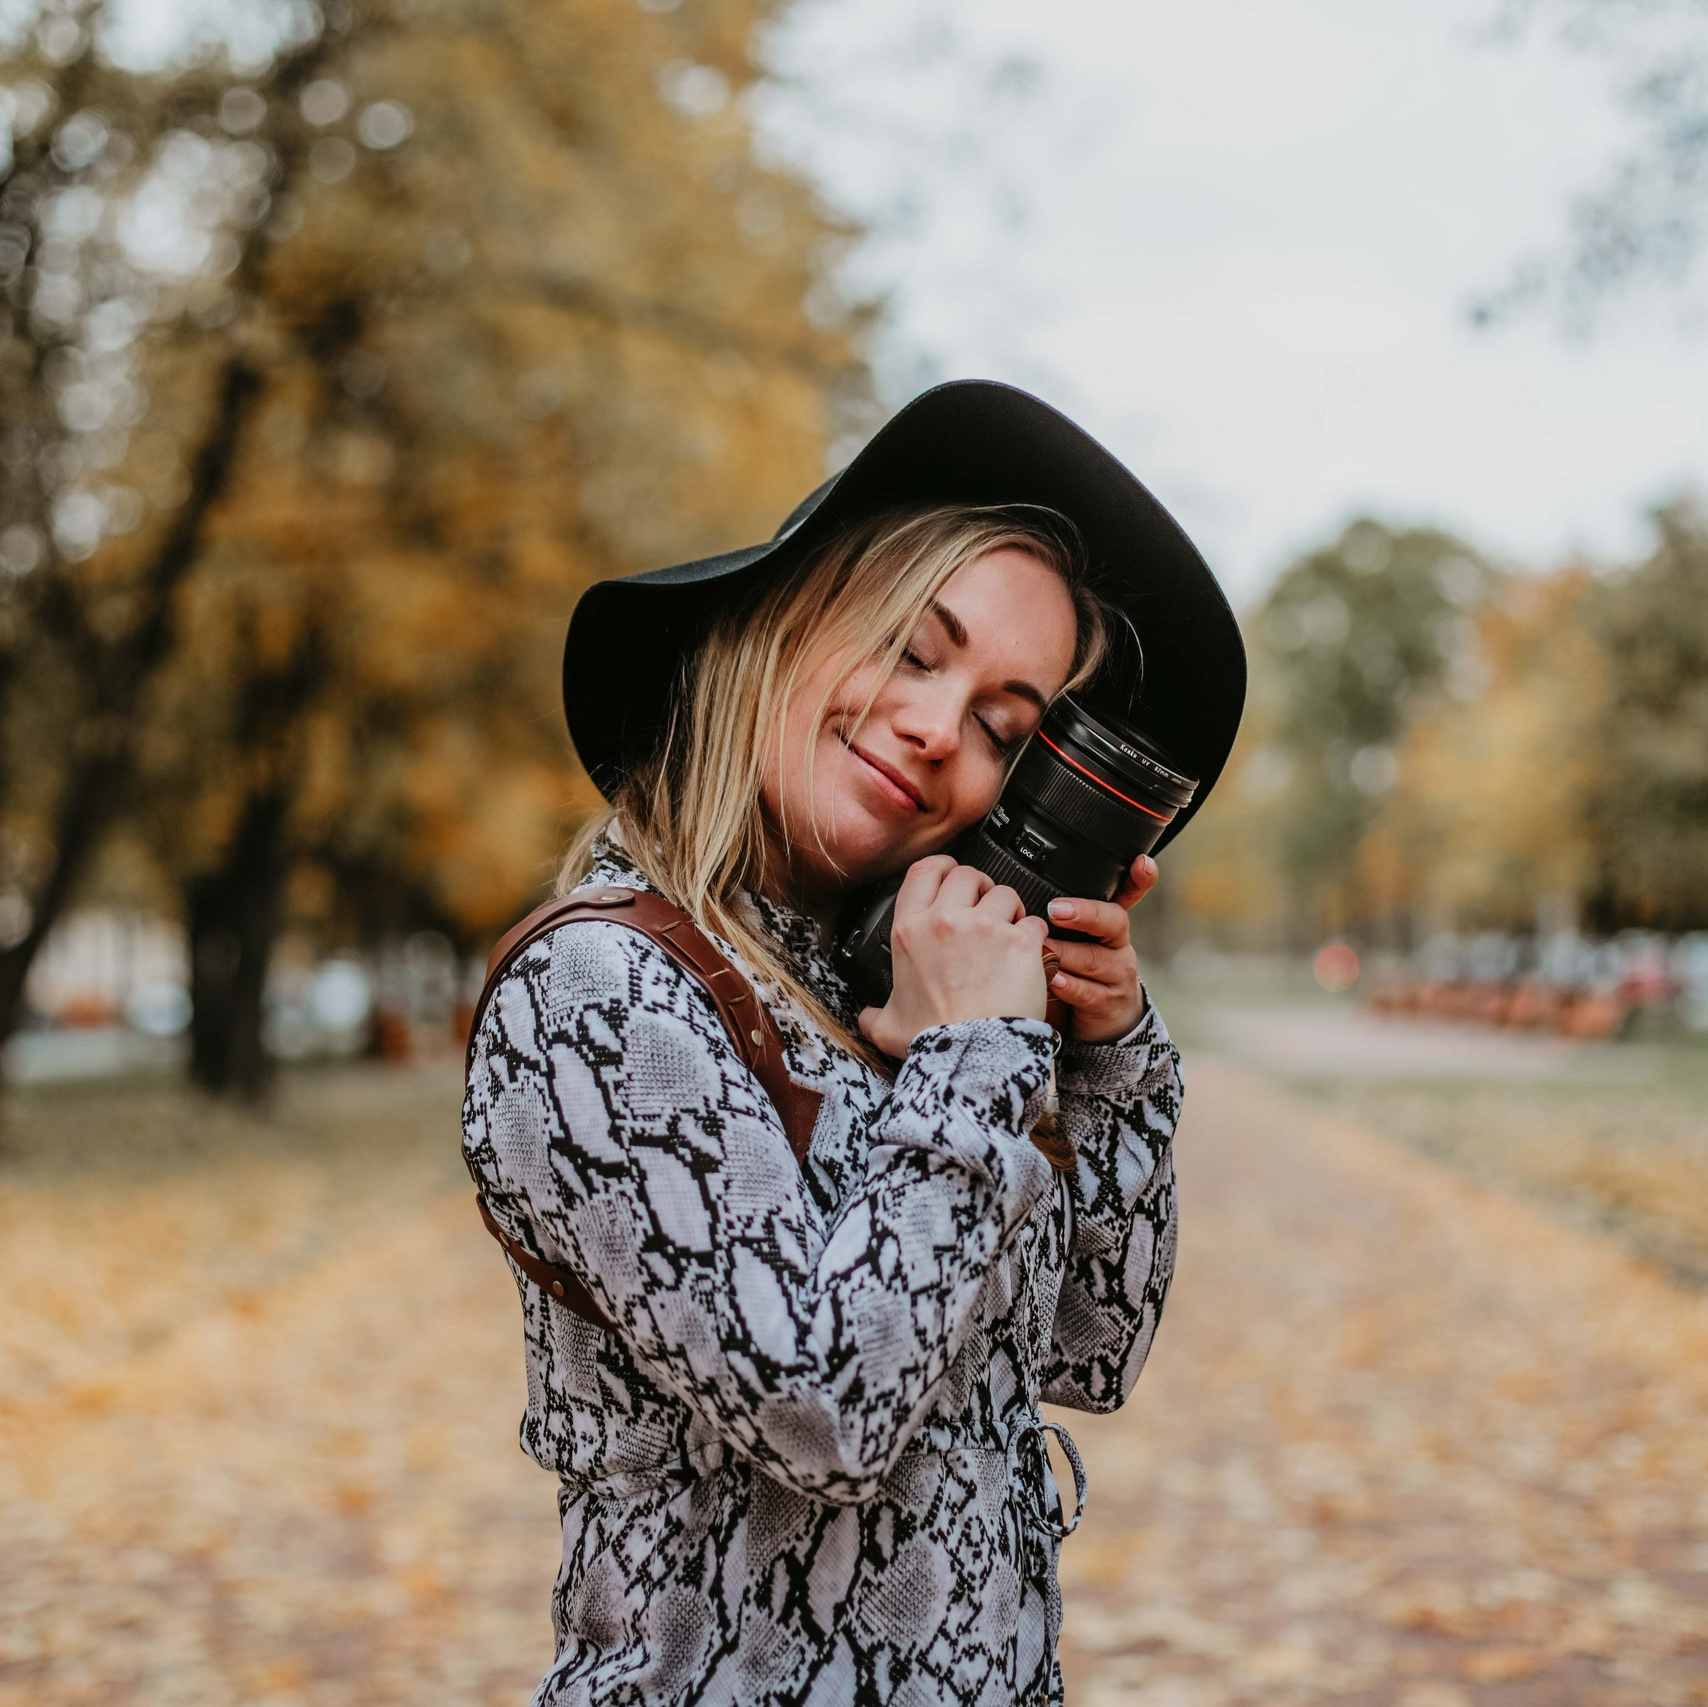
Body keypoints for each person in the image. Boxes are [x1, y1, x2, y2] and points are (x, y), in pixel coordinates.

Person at [463, 381, 1245, 1706]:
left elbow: (1084, 1353)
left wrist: (1102, 1056)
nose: (941, 730)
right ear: (783, 620)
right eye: (911, 648)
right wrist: (974, 1056)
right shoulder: (599, 987)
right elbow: (819, 1413)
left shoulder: (893, 994)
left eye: (1005, 727)